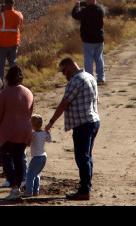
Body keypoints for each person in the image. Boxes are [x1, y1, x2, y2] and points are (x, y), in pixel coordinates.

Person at [45, 57, 100, 201]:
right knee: (87, 156)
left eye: (64, 71)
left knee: (82, 158)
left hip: (83, 124)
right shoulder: (89, 77)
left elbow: (64, 104)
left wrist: (51, 122)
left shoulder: (75, 81)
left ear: (69, 66)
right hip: (93, 121)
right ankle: (86, 186)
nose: (64, 75)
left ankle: (84, 190)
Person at [0, 65, 33, 199]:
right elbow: (30, 112)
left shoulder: (4, 93)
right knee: (19, 158)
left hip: (9, 130)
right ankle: (19, 186)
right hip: (24, 130)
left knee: (6, 160)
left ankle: (14, 188)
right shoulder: (28, 92)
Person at [71, 0, 106, 83]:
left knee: (89, 60)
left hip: (88, 40)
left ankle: (90, 79)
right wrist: (89, 4)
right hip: (99, 39)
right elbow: (98, 7)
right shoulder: (100, 10)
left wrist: (76, 7)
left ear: (87, 1)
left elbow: (75, 15)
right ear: (95, 1)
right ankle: (101, 78)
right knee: (99, 59)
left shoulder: (85, 12)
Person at [0, 0, 23, 80]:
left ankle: (0, 82)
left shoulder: (1, 15)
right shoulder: (19, 15)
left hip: (2, 43)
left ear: (5, 5)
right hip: (14, 43)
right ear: (13, 4)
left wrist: (2, 12)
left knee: (0, 65)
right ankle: (16, 80)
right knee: (13, 63)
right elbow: (20, 24)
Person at [24, 114, 51, 197]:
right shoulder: (44, 133)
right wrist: (48, 133)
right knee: (37, 174)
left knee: (30, 175)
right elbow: (49, 140)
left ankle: (29, 191)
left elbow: (28, 142)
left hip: (36, 157)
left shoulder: (33, 134)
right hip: (43, 156)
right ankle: (36, 191)